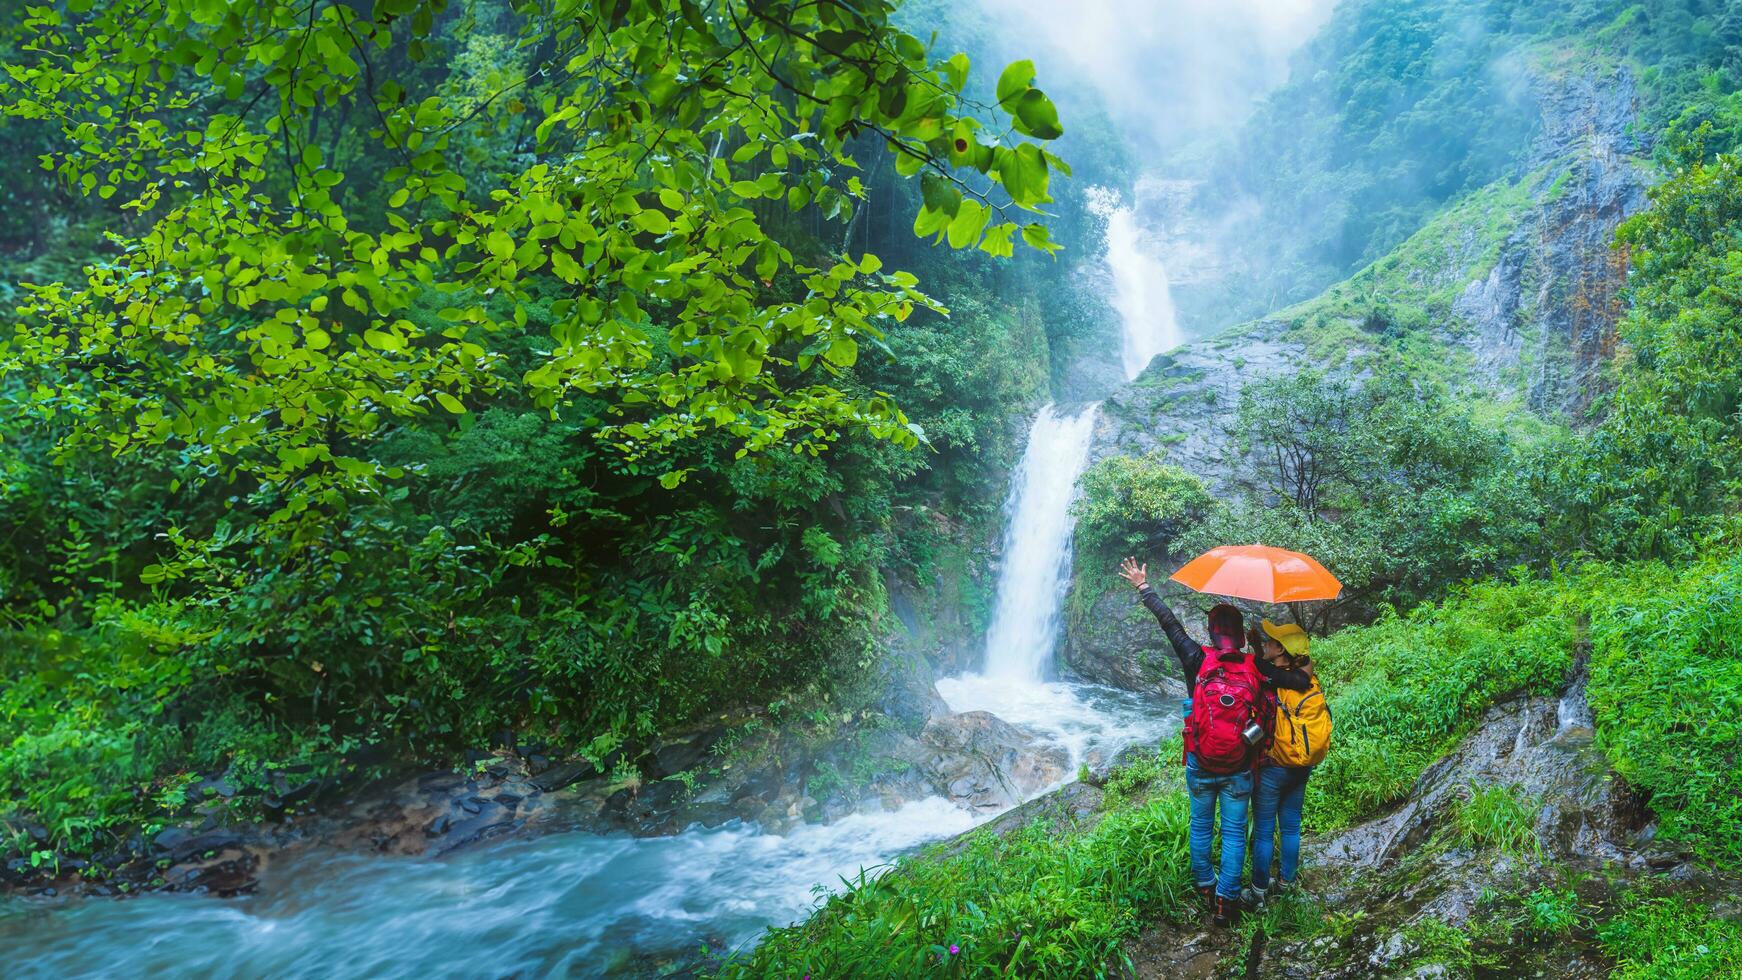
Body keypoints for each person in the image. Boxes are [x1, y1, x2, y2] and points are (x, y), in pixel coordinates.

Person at [1118, 557, 1312, 927]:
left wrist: (1144, 587)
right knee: (1235, 832)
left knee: (1201, 824)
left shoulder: (1196, 658)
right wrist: (1297, 662)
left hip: (1200, 761)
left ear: (1210, 632)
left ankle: (1205, 885)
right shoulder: (1256, 667)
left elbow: (1170, 625)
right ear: (1240, 636)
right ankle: (1226, 900)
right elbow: (1299, 684)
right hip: (1240, 767)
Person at [1244, 619, 1331, 907]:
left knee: (1265, 831)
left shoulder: (1271, 683)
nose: (1267, 644)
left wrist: (1255, 652)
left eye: (1270, 641)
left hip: (1274, 766)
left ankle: (1258, 891)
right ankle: (1287, 883)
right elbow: (1273, 667)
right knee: (1291, 827)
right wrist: (1257, 645)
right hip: (1302, 765)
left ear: (1280, 649)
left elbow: (1262, 673)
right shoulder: (1306, 678)